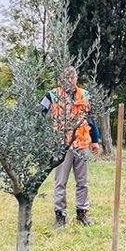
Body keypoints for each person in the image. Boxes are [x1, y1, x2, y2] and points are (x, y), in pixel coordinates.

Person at [40, 65, 102, 227]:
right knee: (61, 181)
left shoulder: (85, 95)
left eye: (72, 78)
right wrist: (43, 136)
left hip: (82, 144)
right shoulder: (52, 95)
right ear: (62, 80)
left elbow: (91, 119)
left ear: (76, 78)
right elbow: (37, 114)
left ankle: (82, 213)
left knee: (83, 181)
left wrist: (95, 140)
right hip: (62, 145)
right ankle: (60, 216)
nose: (69, 81)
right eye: (66, 78)